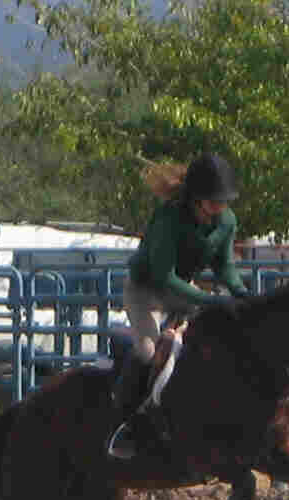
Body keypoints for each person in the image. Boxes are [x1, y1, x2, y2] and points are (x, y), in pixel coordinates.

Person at [109, 152, 251, 459]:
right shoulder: (169, 218)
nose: (221, 208)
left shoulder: (226, 221)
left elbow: (225, 266)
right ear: (196, 198)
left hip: (183, 289)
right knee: (149, 354)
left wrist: (240, 291)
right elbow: (163, 276)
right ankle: (127, 424)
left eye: (224, 201)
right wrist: (210, 300)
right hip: (147, 290)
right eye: (214, 201)